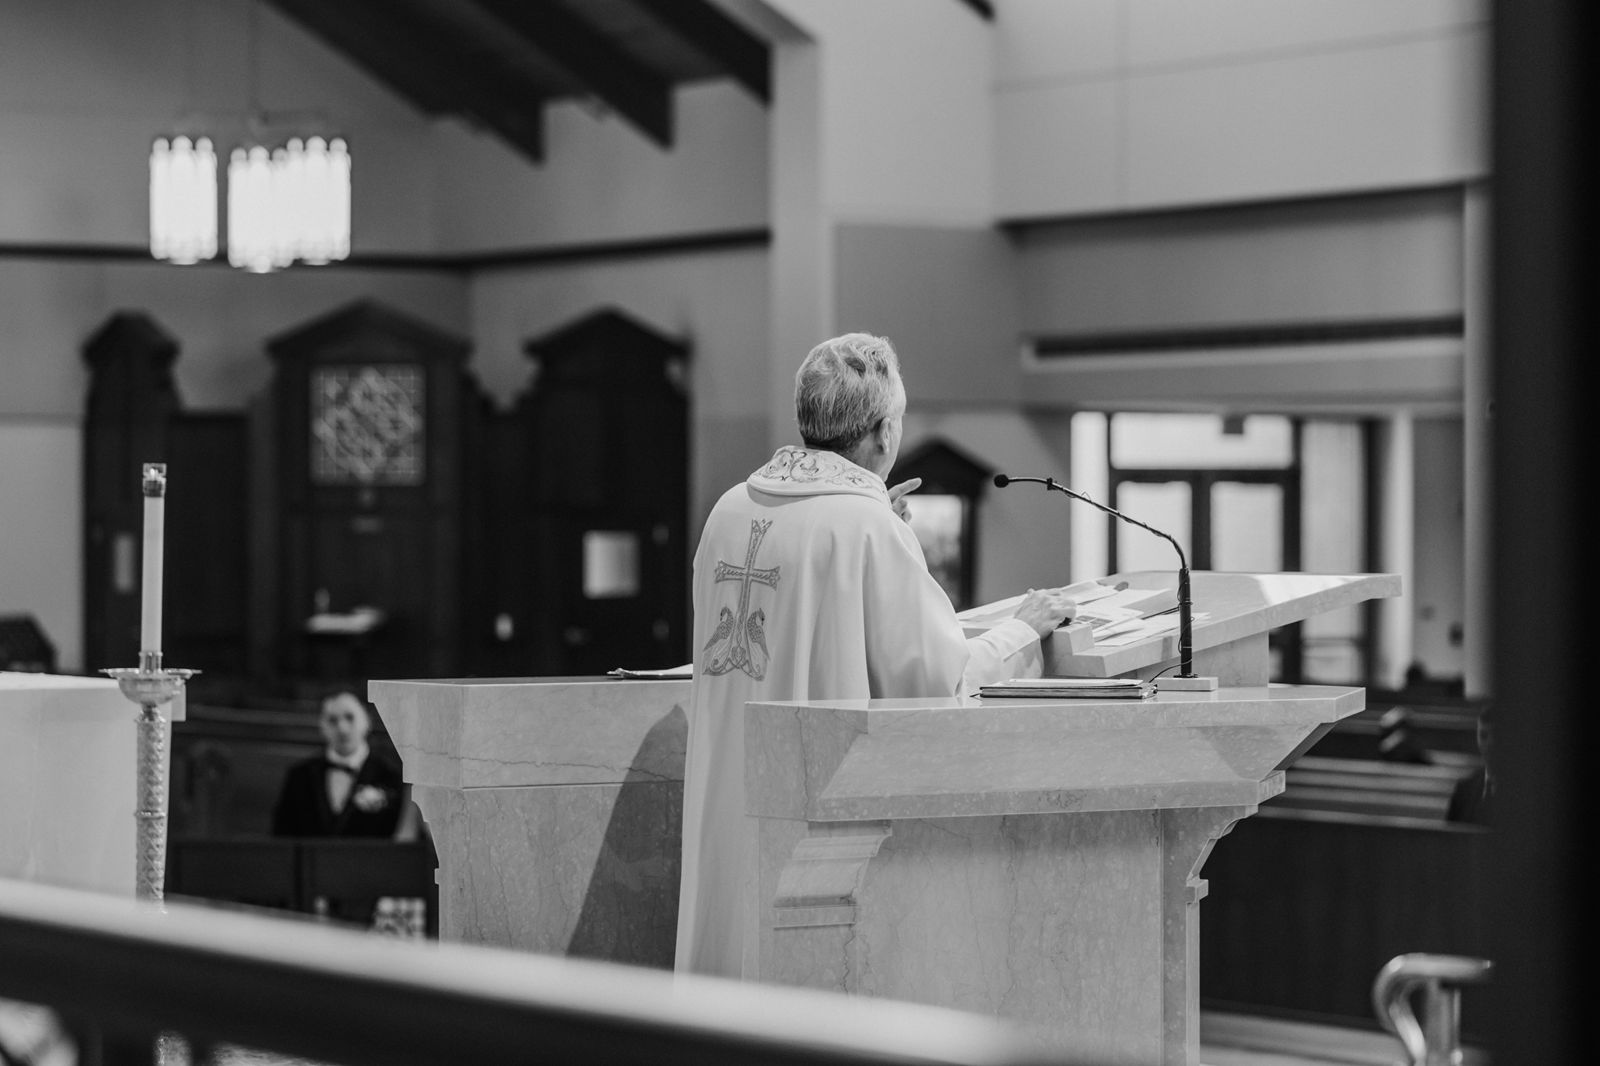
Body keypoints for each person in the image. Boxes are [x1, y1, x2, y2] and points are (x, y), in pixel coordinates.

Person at [675, 332, 1079, 977]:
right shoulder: (867, 527)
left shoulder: (729, 509)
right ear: (886, 430)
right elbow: (933, 679)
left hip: (729, 795)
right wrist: (1022, 632)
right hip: (813, 807)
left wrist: (876, 529)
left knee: (730, 945)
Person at [271, 690, 410, 839]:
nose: (342, 728)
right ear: (322, 727)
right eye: (332, 720)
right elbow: (281, 834)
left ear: (367, 721)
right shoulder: (299, 776)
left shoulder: (391, 776)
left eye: (350, 717)